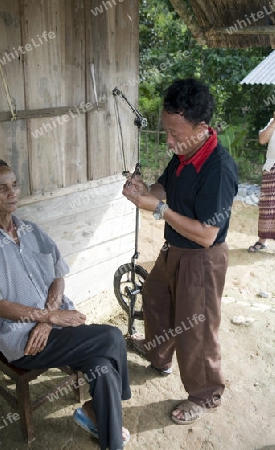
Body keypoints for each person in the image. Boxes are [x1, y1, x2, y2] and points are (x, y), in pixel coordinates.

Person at [0, 159, 131, 450]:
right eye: (2, 188)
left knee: (103, 367)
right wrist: (51, 318)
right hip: (23, 341)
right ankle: (103, 413)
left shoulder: (32, 230)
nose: (13, 192)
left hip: (53, 328)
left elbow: (57, 274)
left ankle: (106, 434)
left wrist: (48, 319)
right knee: (111, 337)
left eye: (15, 185)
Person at [122, 78, 238, 425]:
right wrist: (146, 190)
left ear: (202, 128)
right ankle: (159, 355)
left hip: (202, 259)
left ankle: (205, 394)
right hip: (173, 249)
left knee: (196, 331)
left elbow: (206, 234)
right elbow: (163, 188)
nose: (169, 142)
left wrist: (155, 209)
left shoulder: (218, 168)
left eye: (175, 134)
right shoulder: (184, 154)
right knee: (156, 297)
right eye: (166, 132)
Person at [248, 112, 275, 252]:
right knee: (267, 207)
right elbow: (262, 139)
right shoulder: (272, 121)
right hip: (272, 168)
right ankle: (262, 240)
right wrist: (273, 123)